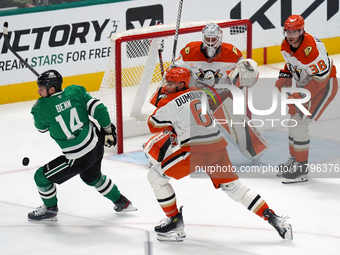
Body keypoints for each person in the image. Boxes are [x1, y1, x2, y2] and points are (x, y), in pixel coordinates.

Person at [147, 67, 293, 242]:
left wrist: (162, 99)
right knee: (235, 188)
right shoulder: (198, 92)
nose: (166, 86)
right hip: (217, 146)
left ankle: (175, 223)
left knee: (155, 175)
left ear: (180, 84)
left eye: (170, 83)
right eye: (166, 82)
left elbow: (152, 124)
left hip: (196, 151)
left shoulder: (169, 103)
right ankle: (274, 218)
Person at [28, 70, 136, 221]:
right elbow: (99, 109)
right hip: (96, 144)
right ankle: (122, 202)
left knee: (41, 177)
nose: (38, 91)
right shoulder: (75, 91)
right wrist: (107, 129)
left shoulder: (40, 108)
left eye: (41, 88)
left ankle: (50, 210)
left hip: (78, 157)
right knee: (92, 177)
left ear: (52, 89)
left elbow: (42, 128)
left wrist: (40, 108)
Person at [275, 15, 338, 184]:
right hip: (306, 85)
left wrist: (301, 96)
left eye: (295, 31)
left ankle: (301, 168)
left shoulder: (311, 49)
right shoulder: (285, 44)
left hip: (324, 87)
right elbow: (291, 64)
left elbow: (320, 79)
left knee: (300, 122)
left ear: (302, 30)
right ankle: (294, 160)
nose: (291, 35)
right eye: (288, 31)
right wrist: (284, 76)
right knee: (293, 122)